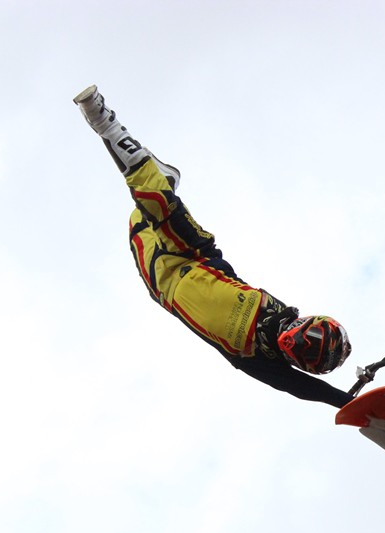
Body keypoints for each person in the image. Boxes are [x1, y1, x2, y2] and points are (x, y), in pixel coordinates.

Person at [73, 85, 353, 408]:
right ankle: (104, 120)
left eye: (304, 351)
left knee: (141, 213)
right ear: (308, 321)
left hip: (163, 283)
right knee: (157, 199)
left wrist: (347, 403)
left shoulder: (263, 362)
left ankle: (167, 179)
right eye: (309, 336)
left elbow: (301, 388)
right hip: (196, 255)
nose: (299, 341)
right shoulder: (279, 312)